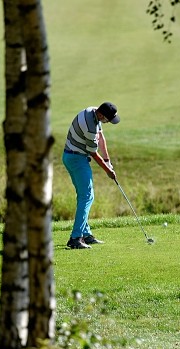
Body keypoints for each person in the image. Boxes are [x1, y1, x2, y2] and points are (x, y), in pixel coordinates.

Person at [62, 101, 119, 249]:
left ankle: (86, 235)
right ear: (101, 115)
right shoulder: (89, 126)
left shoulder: (94, 112)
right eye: (107, 119)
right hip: (76, 159)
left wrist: (108, 160)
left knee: (84, 196)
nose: (107, 122)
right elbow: (93, 153)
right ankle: (75, 238)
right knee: (87, 196)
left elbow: (101, 138)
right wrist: (108, 171)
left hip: (74, 157)